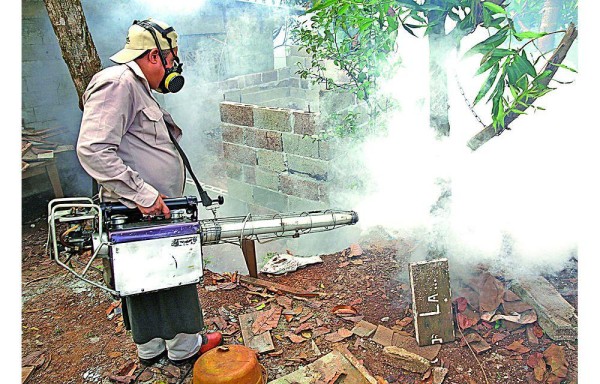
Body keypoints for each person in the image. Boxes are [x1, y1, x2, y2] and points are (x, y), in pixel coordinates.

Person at [76, 18, 221, 367]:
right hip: (140, 208)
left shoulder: (136, 87)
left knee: (145, 277)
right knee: (171, 273)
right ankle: (185, 347)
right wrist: (142, 194)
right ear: (155, 56)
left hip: (147, 207)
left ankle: (153, 347)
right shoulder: (118, 84)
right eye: (172, 58)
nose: (174, 67)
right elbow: (93, 149)